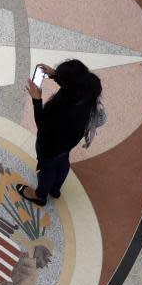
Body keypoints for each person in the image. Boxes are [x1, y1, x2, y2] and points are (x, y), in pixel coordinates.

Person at [16, 60, 103, 206]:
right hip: (68, 142)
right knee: (63, 161)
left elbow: (43, 126)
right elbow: (73, 83)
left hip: (51, 145)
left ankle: (40, 195)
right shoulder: (88, 88)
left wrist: (36, 100)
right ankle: (55, 189)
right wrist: (55, 75)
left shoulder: (64, 110)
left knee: (47, 168)